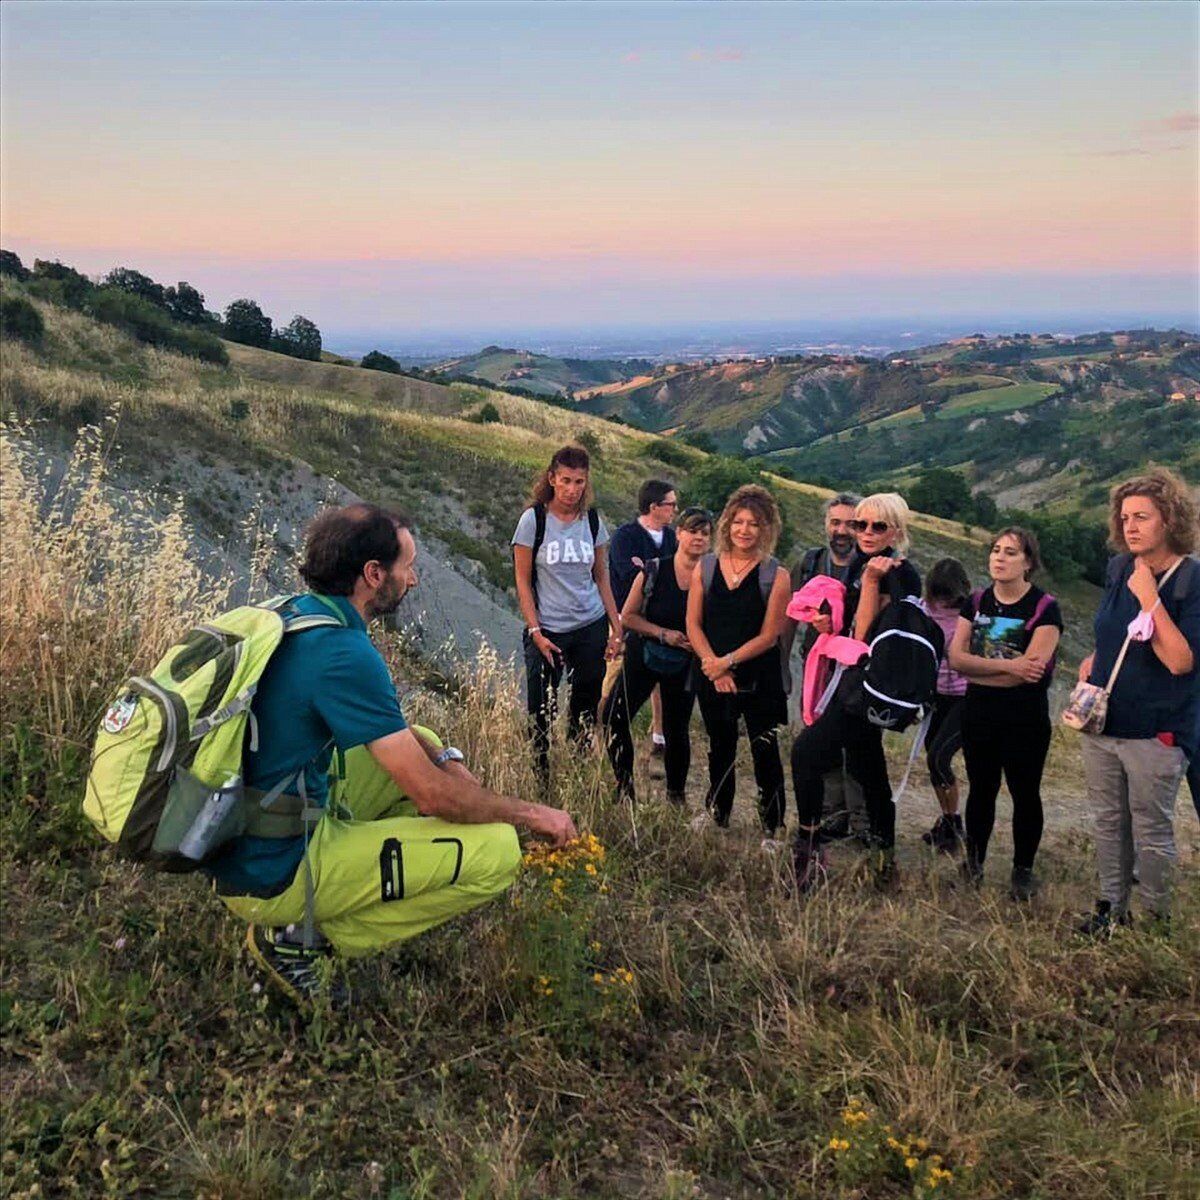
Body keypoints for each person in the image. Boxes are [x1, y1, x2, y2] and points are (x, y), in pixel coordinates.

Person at [214, 504, 578, 1004]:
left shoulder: (298, 613)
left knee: (422, 737)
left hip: (238, 833)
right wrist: (532, 814)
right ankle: (299, 938)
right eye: (408, 566)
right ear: (373, 575)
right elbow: (432, 798)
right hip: (271, 872)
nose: (414, 581)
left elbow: (404, 739)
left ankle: (326, 885)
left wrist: (444, 754)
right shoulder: (345, 654)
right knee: (499, 851)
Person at [1075, 469, 1199, 937]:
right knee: (1109, 823)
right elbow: (1113, 629)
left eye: (1142, 517)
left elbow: (1181, 661)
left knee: (1151, 832)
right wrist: (1095, 658)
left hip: (1156, 731)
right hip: (1103, 724)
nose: (1129, 526)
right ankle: (1110, 909)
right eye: (1125, 517)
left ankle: (1154, 923)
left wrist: (1150, 599)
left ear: (1169, 519)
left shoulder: (1191, 579)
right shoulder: (1117, 568)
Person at [791, 493, 922, 889]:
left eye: (876, 526)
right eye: (858, 524)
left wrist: (867, 583)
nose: (863, 532)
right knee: (869, 766)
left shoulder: (892, 572)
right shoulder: (872, 564)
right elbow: (851, 627)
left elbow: (864, 631)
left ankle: (809, 851)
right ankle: (884, 864)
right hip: (865, 678)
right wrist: (829, 624)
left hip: (866, 683)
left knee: (806, 753)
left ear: (896, 531)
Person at [948, 527, 1062, 901]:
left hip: (1024, 717)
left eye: (1011, 552)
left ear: (1028, 562)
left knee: (1024, 792)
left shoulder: (1045, 607)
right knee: (981, 789)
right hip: (978, 712)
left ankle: (1022, 872)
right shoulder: (977, 601)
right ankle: (974, 864)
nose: (999, 557)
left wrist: (982, 667)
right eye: (996, 550)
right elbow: (955, 659)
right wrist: (1010, 668)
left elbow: (1035, 668)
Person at [512, 445, 623, 785]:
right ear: (551, 479)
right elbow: (522, 580)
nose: (572, 489)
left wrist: (616, 628)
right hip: (550, 629)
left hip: (589, 625)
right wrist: (535, 631)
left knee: (585, 705)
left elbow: (601, 576)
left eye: (579, 482)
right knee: (541, 710)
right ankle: (541, 776)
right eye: (565, 481)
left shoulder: (592, 520)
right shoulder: (534, 520)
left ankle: (576, 770)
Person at [686, 485, 791, 841]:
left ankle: (772, 827)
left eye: (754, 524)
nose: (744, 530)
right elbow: (693, 623)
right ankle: (717, 812)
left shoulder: (775, 575)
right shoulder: (707, 566)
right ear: (727, 523)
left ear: (767, 529)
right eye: (738, 522)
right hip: (712, 672)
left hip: (758, 677)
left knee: (765, 751)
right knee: (720, 746)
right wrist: (712, 666)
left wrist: (726, 663)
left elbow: (770, 636)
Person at [603, 506, 713, 806]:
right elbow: (628, 616)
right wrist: (664, 634)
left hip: (685, 663)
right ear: (678, 534)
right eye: (692, 530)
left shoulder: (712, 577)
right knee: (614, 716)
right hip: (645, 653)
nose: (698, 538)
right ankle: (624, 789)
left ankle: (675, 797)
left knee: (677, 731)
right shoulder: (653, 569)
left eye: (705, 533)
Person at [784, 491, 868, 840]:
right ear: (826, 525)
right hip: (817, 666)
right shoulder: (809, 562)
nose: (843, 530)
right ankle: (834, 816)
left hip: (860, 671)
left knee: (860, 746)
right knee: (822, 742)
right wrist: (783, 663)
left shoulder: (871, 567)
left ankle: (865, 822)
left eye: (851, 523)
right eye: (836, 522)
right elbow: (789, 614)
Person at [605, 479, 680, 759]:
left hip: (660, 620)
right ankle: (600, 731)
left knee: (659, 678)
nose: (674, 509)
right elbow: (628, 574)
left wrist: (648, 569)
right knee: (613, 677)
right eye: (671, 504)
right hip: (626, 618)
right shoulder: (626, 536)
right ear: (654, 507)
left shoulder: (672, 538)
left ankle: (659, 736)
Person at [920, 558, 971, 854]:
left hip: (965, 695)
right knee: (934, 760)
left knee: (938, 757)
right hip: (936, 695)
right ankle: (949, 819)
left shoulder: (971, 614)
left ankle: (954, 825)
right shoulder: (926, 611)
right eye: (939, 594)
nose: (944, 601)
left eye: (949, 595)